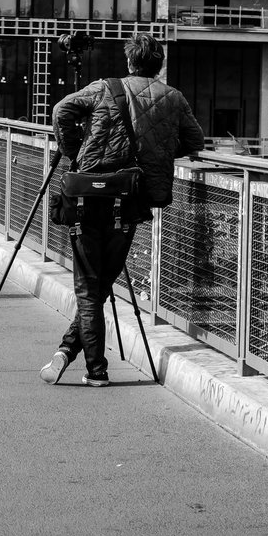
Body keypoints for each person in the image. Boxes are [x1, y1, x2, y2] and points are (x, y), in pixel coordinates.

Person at [42, 32, 204, 387]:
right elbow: (195, 142)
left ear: (130, 61)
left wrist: (74, 152)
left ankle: (90, 367)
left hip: (86, 197)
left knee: (90, 288)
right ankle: (73, 356)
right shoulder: (173, 98)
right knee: (99, 287)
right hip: (129, 201)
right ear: (159, 65)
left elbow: (61, 110)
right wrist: (156, 153)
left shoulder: (104, 88)